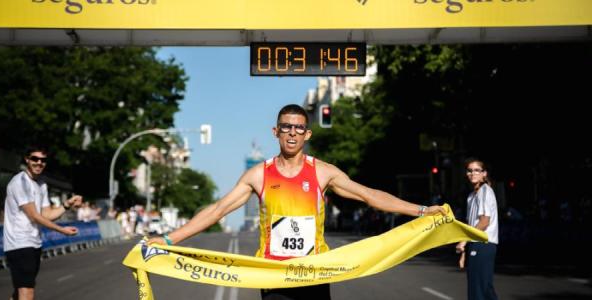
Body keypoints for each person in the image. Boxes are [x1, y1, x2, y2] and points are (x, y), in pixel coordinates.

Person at [149, 104, 446, 300]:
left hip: (314, 274)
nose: (292, 133)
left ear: (307, 134)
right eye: (286, 127)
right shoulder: (258, 174)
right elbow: (218, 210)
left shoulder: (322, 172)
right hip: (274, 275)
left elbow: (369, 195)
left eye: (299, 128)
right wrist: (166, 238)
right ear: (276, 132)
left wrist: (421, 210)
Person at [3, 146, 83, 300]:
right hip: (19, 243)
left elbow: (46, 215)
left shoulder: (41, 183)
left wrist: (67, 204)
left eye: (43, 160)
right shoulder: (20, 182)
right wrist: (62, 230)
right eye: (35, 159)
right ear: (27, 159)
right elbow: (34, 216)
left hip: (34, 242)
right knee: (27, 292)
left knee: (19, 292)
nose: (39, 163)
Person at [456, 158, 499, 300]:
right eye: (469, 170)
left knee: (481, 289)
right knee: (478, 288)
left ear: (484, 174)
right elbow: (470, 224)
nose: (472, 173)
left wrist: (464, 241)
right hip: (475, 244)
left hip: (484, 244)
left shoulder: (485, 191)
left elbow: (484, 222)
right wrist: (464, 250)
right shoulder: (471, 196)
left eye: (476, 170)